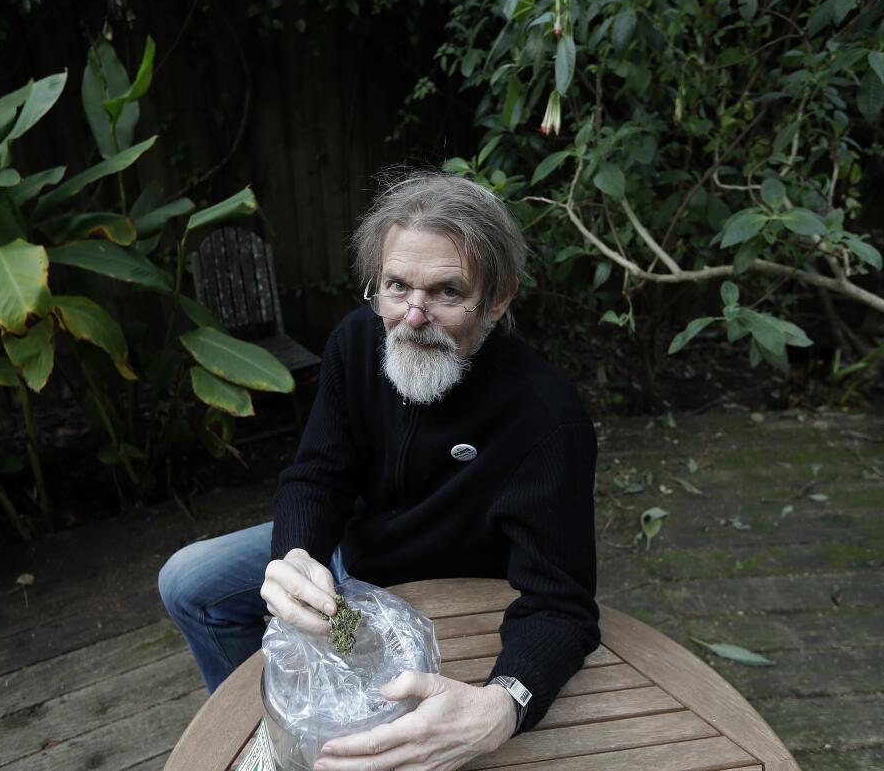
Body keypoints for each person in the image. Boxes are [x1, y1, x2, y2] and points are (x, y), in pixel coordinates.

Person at [158, 170, 601, 771]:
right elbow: (317, 476)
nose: (412, 316)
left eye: (447, 292)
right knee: (186, 581)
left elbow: (563, 605)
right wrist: (297, 559)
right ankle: (270, 720)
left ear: (499, 298)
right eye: (396, 286)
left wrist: (507, 702)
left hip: (432, 597)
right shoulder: (354, 342)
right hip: (342, 560)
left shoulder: (547, 421)